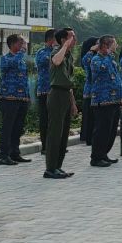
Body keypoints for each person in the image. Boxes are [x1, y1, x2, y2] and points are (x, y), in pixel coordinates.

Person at [45, 27, 79, 179]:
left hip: (65, 94)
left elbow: (69, 82)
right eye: (72, 37)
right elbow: (56, 61)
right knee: (55, 134)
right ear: (64, 39)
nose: (75, 39)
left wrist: (72, 103)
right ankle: (50, 169)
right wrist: (64, 46)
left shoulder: (69, 55)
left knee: (63, 134)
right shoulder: (57, 51)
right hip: (57, 94)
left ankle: (58, 166)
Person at [0, 33, 32, 166]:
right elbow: (13, 63)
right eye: (21, 43)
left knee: (18, 127)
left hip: (21, 98)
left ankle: (14, 153)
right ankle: (3, 155)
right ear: (12, 44)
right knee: (8, 127)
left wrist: (27, 97)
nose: (23, 45)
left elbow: (24, 79)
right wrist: (22, 51)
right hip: (8, 98)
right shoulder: (7, 58)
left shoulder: (21, 60)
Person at [89, 36, 122, 167]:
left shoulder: (111, 60)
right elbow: (103, 69)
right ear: (105, 46)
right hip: (102, 100)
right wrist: (108, 56)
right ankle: (96, 157)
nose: (116, 46)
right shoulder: (96, 60)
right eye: (114, 44)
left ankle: (104, 154)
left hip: (114, 100)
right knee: (101, 130)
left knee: (111, 130)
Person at [34, 29, 57, 153]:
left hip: (56, 90)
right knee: (45, 119)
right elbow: (44, 62)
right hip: (45, 90)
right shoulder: (42, 52)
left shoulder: (58, 52)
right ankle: (45, 146)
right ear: (50, 40)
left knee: (55, 119)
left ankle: (54, 145)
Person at [79, 37, 99, 146]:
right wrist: (91, 51)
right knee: (89, 117)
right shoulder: (89, 57)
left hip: (98, 92)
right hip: (90, 91)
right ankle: (88, 137)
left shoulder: (98, 57)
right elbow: (86, 62)